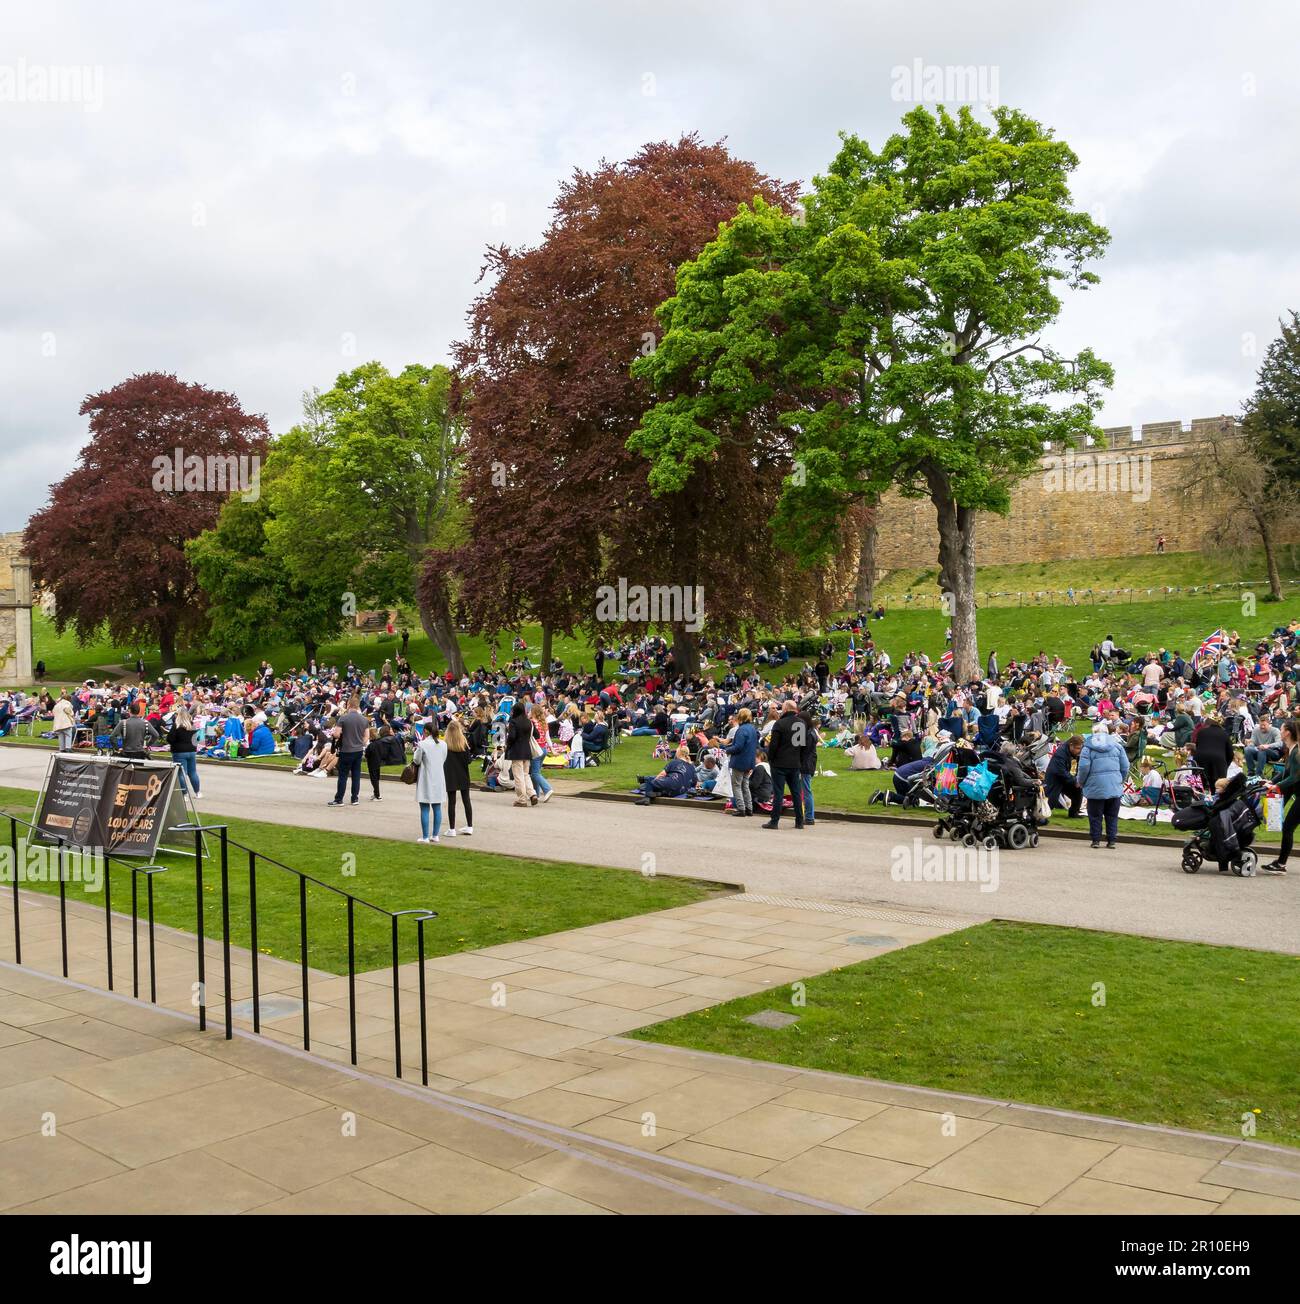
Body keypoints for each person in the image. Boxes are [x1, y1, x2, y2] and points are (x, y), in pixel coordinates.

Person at [1076, 722, 1127, 849]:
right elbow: (1125, 766)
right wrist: (1121, 779)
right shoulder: (1117, 746)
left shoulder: (1087, 749)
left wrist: (1081, 781)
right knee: (1112, 815)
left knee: (1095, 815)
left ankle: (1096, 840)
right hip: (1114, 785)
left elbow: (1083, 768)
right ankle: (1111, 840)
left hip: (1095, 786)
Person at [1261, 718, 1299, 873]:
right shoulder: (1292, 749)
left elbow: (1295, 777)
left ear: (1287, 733)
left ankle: (1281, 864)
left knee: (1288, 827)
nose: (1280, 731)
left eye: (1282, 729)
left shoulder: (1296, 751)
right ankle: (1281, 863)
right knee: (1288, 827)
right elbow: (1286, 772)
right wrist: (1270, 781)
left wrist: (1275, 786)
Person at [762, 701, 805, 830]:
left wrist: (771, 758)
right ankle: (799, 821)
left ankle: (774, 821)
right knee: (796, 793)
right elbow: (802, 745)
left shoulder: (779, 724)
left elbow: (773, 745)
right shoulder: (801, 723)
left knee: (778, 792)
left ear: (785, 709)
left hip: (780, 763)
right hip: (795, 762)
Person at [327, 695, 370, 807]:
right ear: (358, 706)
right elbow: (366, 737)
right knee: (356, 775)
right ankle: (354, 798)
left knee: (343, 775)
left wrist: (334, 734)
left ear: (348, 705)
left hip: (346, 749)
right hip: (358, 750)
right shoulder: (364, 719)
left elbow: (336, 734)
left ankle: (339, 799)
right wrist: (361, 744)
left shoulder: (343, 718)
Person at [717, 708, 757, 816]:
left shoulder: (741, 730)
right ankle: (749, 808)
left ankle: (741, 808)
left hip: (740, 760)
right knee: (745, 784)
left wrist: (727, 750)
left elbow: (738, 747)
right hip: (750, 760)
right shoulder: (753, 729)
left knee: (737, 785)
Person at [413, 719, 447, 843]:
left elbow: (416, 760)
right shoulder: (443, 744)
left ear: (426, 732)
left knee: (425, 807)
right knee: (437, 807)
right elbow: (443, 758)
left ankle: (426, 836)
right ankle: (435, 835)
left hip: (426, 777)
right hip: (438, 777)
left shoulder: (423, 744)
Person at [443, 717, 474, 836]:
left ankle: (452, 828)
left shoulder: (445, 745)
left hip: (450, 775)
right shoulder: (463, 744)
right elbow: (469, 761)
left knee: (452, 802)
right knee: (466, 800)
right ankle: (469, 825)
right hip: (463, 774)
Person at [1043, 734, 1084, 817]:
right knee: (1050, 801)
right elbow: (1060, 771)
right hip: (1055, 778)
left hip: (1064, 777)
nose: (1079, 751)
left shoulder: (1072, 751)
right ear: (1071, 745)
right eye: (1077, 748)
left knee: (1078, 791)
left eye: (1080, 748)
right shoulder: (1060, 753)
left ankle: (1074, 813)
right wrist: (1075, 781)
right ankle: (1043, 814)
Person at [504, 701, 536, 807]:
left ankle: (522, 799)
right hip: (527, 751)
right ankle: (532, 794)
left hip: (516, 751)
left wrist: (508, 746)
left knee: (518, 776)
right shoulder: (529, 722)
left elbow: (512, 737)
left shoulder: (513, 722)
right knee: (526, 774)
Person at [1192, 714, 1234, 790]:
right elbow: (1230, 753)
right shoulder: (1224, 734)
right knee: (1217, 786)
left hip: (1201, 758)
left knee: (1200, 784)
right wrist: (1225, 765)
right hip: (1218, 760)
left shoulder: (1201, 732)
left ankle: (1199, 797)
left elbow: (1197, 746)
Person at [167, 706, 201, 798]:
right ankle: (197, 792)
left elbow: (170, 739)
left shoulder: (176, 726)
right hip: (191, 751)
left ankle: (184, 794)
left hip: (179, 751)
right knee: (192, 772)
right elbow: (197, 739)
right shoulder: (192, 725)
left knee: (181, 773)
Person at [528, 702, 554, 805]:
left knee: (534, 773)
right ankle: (536, 794)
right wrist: (552, 749)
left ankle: (547, 789)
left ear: (533, 713)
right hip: (544, 749)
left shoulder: (531, 723)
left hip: (535, 750)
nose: (528, 712)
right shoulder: (544, 722)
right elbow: (547, 737)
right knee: (536, 772)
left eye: (530, 711)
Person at [1244, 712, 1283, 777]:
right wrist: (1249, 743)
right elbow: (1253, 742)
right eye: (1260, 725)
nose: (1262, 727)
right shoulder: (1256, 730)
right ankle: (1251, 772)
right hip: (1259, 751)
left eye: (1264, 725)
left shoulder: (1275, 730)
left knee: (1262, 750)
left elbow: (1280, 743)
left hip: (1273, 752)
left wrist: (1267, 746)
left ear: (1269, 724)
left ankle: (1258, 774)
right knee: (1247, 749)